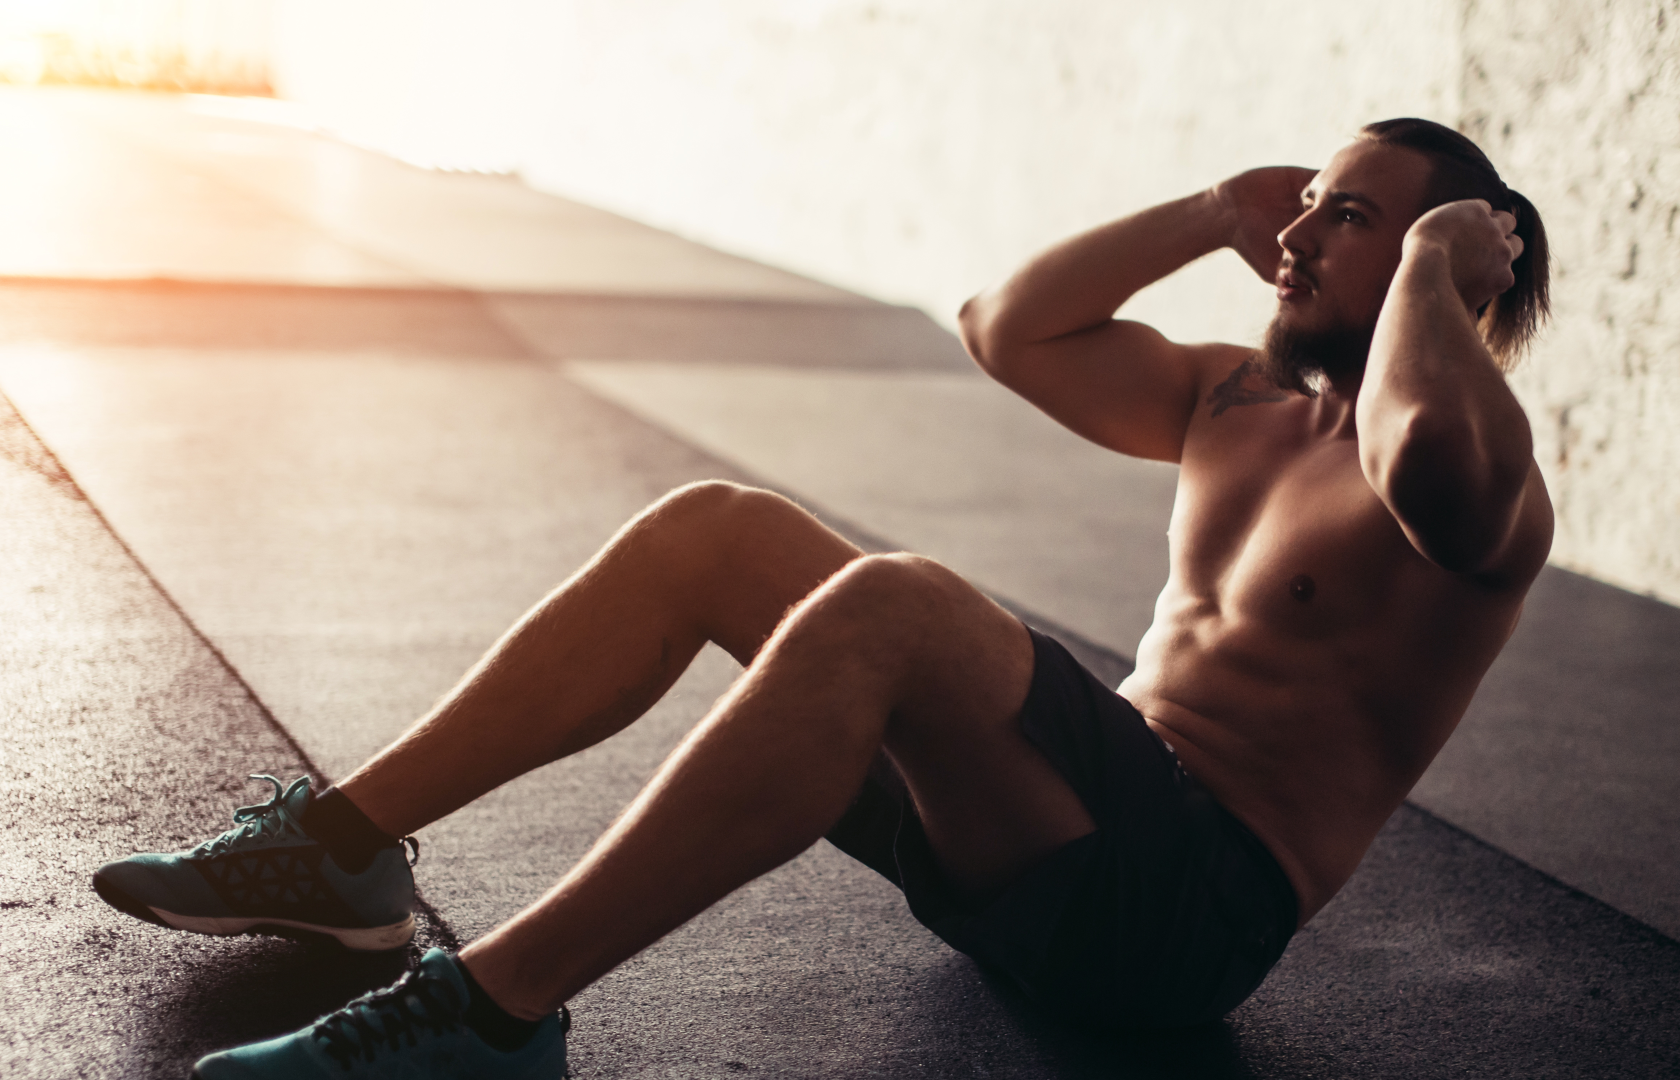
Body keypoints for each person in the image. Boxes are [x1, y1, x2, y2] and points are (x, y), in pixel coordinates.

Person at [94, 117, 1553, 1079]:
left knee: (900, 607)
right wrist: (1205, 211)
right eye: (1309, 205)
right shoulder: (1233, 399)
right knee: (720, 532)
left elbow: (1423, 454)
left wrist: (1431, 265)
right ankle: (346, 850)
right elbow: (1006, 327)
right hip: (1044, 845)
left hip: (1177, 920)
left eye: (1343, 217)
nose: (1299, 235)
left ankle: (487, 1012)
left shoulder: (1484, 479)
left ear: (1452, 255)